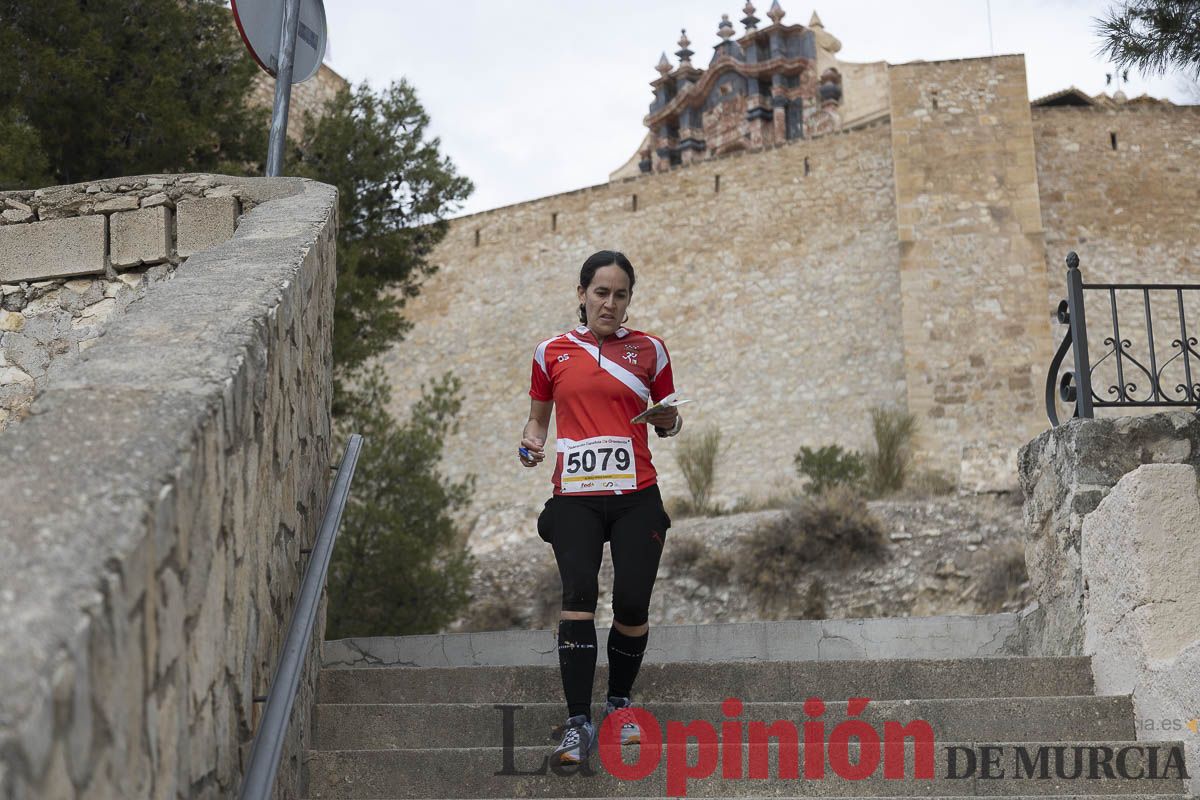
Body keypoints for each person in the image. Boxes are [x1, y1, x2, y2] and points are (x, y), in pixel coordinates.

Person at [518, 250, 683, 765]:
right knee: (579, 595)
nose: (610, 303)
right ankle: (576, 724)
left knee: (633, 603)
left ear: (630, 300)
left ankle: (618, 707)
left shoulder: (651, 350)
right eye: (601, 292)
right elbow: (538, 422)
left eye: (620, 294)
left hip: (636, 494)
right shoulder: (551, 352)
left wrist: (666, 421)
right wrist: (529, 443)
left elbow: (672, 421)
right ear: (582, 294)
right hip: (576, 499)